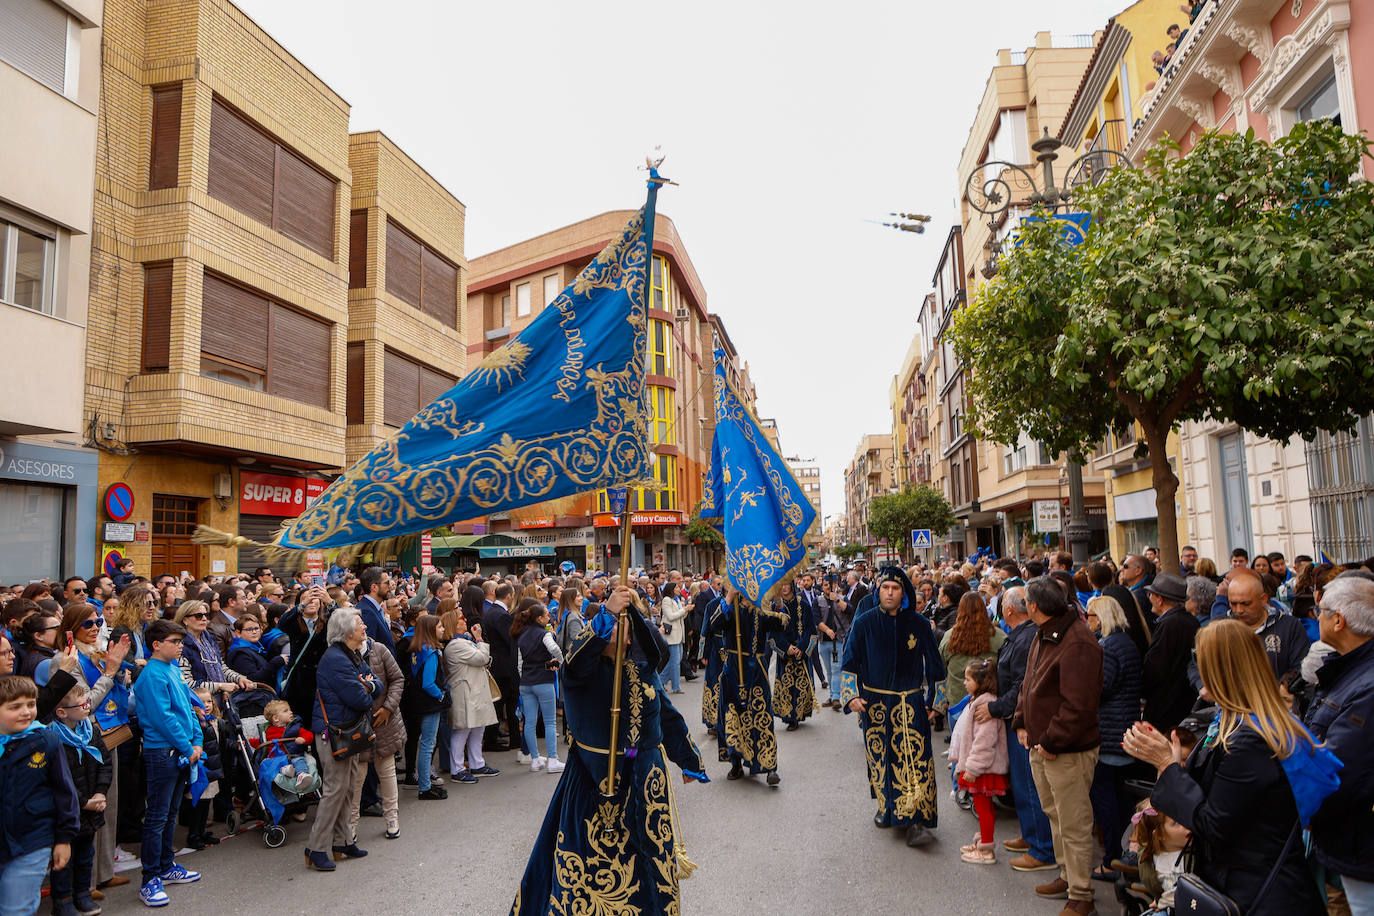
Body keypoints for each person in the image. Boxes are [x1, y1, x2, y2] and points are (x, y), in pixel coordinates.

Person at [509, 586, 707, 916]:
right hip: (593, 784)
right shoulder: (580, 674)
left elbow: (666, 716)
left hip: (645, 784)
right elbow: (576, 659)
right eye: (617, 624)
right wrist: (608, 612)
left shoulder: (642, 670)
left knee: (650, 874)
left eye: (627, 625)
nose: (623, 632)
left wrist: (689, 761)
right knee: (593, 872)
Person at [1123, 620, 1329, 915]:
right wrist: (1172, 760)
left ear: (1218, 671)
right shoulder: (1247, 722)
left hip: (1256, 892)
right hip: (1253, 882)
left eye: (1200, 660)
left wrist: (1167, 764)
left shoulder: (1251, 739)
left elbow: (1214, 824)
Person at [1013, 576, 1103, 914]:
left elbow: (1078, 704)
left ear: (1034, 606)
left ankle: (1081, 896)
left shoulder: (1077, 641)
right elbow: (1029, 683)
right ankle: (1067, 875)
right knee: (1056, 816)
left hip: (1066, 749)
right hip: (1043, 745)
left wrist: (1051, 740)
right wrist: (1021, 719)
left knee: (1074, 822)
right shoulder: (1045, 632)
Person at [841, 566, 945, 847]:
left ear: (904, 593)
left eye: (895, 588)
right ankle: (888, 808)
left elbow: (936, 668)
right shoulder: (864, 624)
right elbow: (849, 662)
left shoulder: (920, 625)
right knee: (882, 760)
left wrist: (936, 702)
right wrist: (851, 695)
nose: (890, 592)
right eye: (885, 588)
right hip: (875, 705)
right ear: (878, 591)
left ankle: (917, 821)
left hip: (910, 702)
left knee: (916, 761)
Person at [975, 585, 1056, 871]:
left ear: (1009, 609)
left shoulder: (1025, 639)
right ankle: (1031, 835)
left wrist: (995, 708)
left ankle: (1042, 849)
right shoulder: (1020, 636)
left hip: (1023, 721)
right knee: (1023, 785)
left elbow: (1023, 686)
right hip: (1017, 718)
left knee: (1031, 786)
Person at [1305, 575, 1374, 910]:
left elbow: (1339, 768)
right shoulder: (1350, 670)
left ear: (1338, 620)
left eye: (1320, 611)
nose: (1315, 617)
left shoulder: (1366, 683)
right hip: (1348, 838)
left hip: (1360, 842)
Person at [133, 619, 202, 907]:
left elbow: (189, 706)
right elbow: (164, 718)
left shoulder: (172, 669)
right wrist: (187, 747)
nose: (180, 646)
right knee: (158, 816)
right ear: (156, 645)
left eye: (180, 641)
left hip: (182, 751)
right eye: (174, 641)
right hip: (163, 752)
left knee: (171, 811)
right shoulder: (151, 675)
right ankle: (149, 878)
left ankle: (166, 865)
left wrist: (196, 740)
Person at [306, 608, 379, 871]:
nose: (365, 627)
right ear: (347, 631)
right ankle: (316, 847)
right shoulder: (336, 659)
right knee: (335, 790)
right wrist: (367, 687)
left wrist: (368, 685)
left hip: (346, 730)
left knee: (347, 787)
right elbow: (360, 698)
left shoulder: (352, 654)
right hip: (334, 732)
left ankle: (343, 841)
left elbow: (376, 684)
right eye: (360, 623)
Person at [0, 675, 78, 916]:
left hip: (31, 840)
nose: (26, 712)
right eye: (15, 707)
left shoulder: (46, 740)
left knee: (17, 908)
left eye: (31, 704)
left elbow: (65, 793)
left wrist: (64, 838)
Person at [1086, 593, 1144, 883]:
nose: (1088, 621)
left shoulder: (1108, 646)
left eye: (1092, 616)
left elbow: (1101, 687)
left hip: (1109, 733)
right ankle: (1121, 855)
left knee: (1107, 800)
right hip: (1123, 731)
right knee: (1119, 799)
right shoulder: (1126, 642)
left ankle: (1112, 860)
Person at [710, 586, 786, 784]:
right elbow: (715, 625)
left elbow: (782, 624)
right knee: (732, 717)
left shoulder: (762, 610)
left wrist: (777, 602)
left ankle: (769, 766)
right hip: (733, 670)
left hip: (756, 671)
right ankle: (735, 762)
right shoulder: (729, 608)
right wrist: (729, 597)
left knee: (762, 717)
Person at [48, 681, 110, 916]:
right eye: (82, 704)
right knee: (63, 860)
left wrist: (101, 792)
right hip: (67, 810)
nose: (87, 707)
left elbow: (105, 763)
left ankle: (82, 894)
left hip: (91, 807)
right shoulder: (52, 739)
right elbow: (57, 780)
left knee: (86, 855)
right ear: (62, 712)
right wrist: (83, 801)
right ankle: (61, 900)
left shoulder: (90, 731)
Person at [952, 659, 1009, 866]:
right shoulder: (980, 700)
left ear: (981, 681)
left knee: (983, 807)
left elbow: (985, 741)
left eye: (968, 679)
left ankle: (986, 849)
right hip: (983, 766)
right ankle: (984, 839)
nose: (965, 682)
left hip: (983, 768)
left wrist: (972, 767)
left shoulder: (984, 704)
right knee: (984, 806)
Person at [353, 632, 405, 840]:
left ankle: (392, 819)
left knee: (387, 773)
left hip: (384, 722)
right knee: (357, 779)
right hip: (357, 725)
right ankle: (351, 826)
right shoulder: (341, 655)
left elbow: (397, 679)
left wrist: (388, 708)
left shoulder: (379, 649)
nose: (364, 629)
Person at [442, 607, 498, 787]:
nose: (465, 620)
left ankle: (477, 763)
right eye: (461, 618)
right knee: (463, 730)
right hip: (465, 692)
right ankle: (457, 769)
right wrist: (480, 639)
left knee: (477, 728)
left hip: (473, 691)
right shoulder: (456, 645)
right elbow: (483, 658)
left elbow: (485, 659)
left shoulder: (463, 641)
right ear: (453, 623)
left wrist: (480, 648)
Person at [512, 601, 564, 773]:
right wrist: (561, 661)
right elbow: (554, 648)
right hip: (544, 680)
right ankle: (553, 759)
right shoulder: (544, 634)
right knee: (549, 722)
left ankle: (535, 759)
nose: (549, 617)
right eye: (547, 615)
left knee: (529, 722)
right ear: (540, 618)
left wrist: (525, 676)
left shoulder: (522, 633)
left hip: (526, 682)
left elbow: (520, 663)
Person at [406, 614, 449, 799]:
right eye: (440, 627)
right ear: (431, 630)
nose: (443, 630)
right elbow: (428, 683)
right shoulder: (431, 652)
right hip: (430, 704)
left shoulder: (417, 649)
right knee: (428, 745)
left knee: (424, 744)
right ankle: (425, 786)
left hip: (418, 702)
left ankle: (425, 783)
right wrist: (441, 696)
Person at [940, 592, 1006, 710]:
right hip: (988, 703)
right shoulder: (999, 637)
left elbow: (941, 666)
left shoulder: (949, 636)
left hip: (957, 701)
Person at [1129, 801, 1192, 913]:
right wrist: (1159, 900)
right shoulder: (1151, 861)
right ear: (1160, 835)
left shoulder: (1193, 856)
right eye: (1176, 823)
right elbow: (1158, 886)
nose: (1185, 824)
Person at [771, 580, 817, 731]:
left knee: (801, 686)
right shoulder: (776, 608)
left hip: (800, 652)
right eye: (781, 585)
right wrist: (786, 648)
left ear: (791, 585)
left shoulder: (803, 605)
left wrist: (801, 648)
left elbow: (810, 629)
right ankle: (790, 718)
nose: (784, 588)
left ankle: (799, 715)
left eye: (786, 584)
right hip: (786, 654)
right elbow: (773, 634)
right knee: (787, 686)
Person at [482, 583, 518, 753]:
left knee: (499, 702)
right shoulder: (501, 615)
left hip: (497, 662)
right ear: (509, 596)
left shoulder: (491, 612)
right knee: (502, 701)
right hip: (503, 665)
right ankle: (492, 738)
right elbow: (510, 639)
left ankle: (493, 735)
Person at [658, 582, 688, 694]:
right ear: (671, 589)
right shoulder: (666, 600)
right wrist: (684, 610)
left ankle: (662, 681)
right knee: (675, 661)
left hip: (679, 633)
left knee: (676, 660)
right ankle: (673, 685)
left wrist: (686, 609)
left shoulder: (677, 600)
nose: (679, 589)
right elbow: (670, 616)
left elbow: (681, 616)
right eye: (676, 587)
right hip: (672, 634)